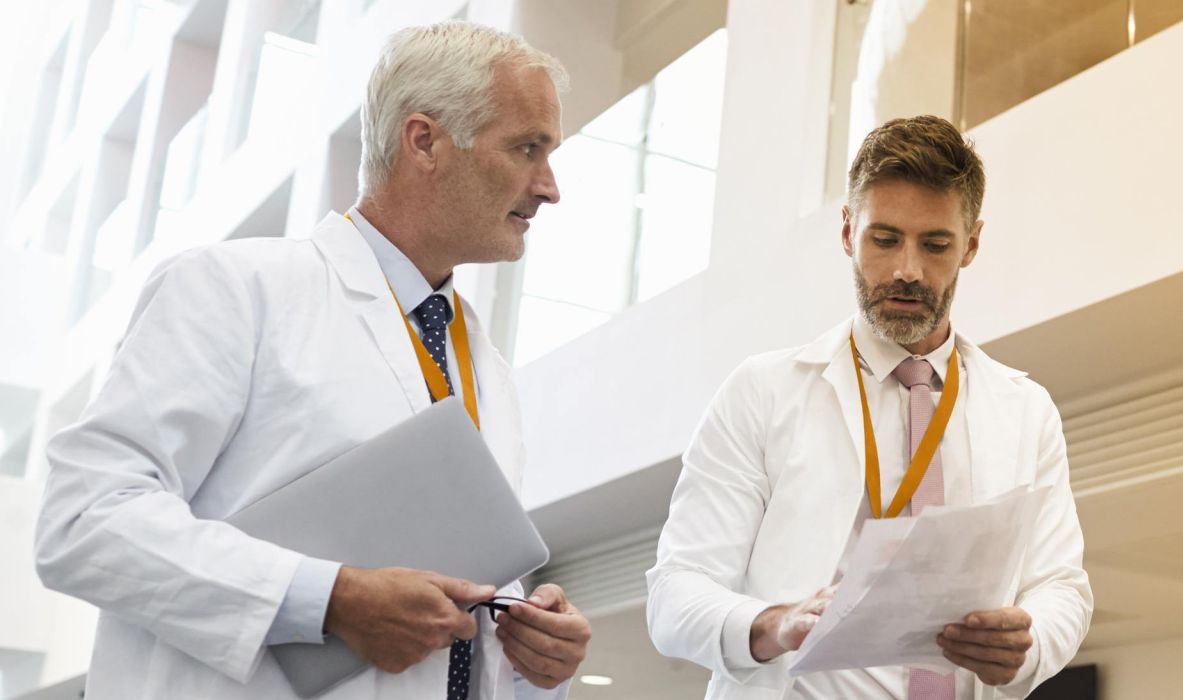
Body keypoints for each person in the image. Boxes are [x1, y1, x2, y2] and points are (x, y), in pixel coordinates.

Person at [35, 21, 591, 699]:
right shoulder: (234, 288)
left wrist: (534, 656)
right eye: (527, 148)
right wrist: (329, 600)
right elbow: (84, 519)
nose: (550, 186)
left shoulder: (488, 369)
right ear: (425, 142)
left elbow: (453, 616)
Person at [646, 115, 1093, 699]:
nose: (908, 269)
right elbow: (677, 592)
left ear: (971, 246)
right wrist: (774, 625)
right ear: (847, 230)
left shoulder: (1026, 410)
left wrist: (1029, 642)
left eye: (936, 245)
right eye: (884, 239)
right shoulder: (762, 391)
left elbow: (1061, 585)